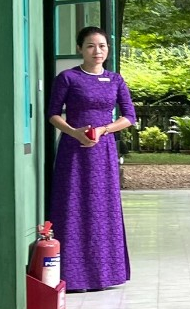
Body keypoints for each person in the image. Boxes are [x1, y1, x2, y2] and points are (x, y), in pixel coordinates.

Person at [46, 26, 136, 292]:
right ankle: (73, 277)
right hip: (74, 150)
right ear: (80, 49)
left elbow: (129, 116)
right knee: (72, 204)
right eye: (91, 46)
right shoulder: (67, 78)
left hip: (103, 150)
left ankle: (106, 274)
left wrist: (104, 129)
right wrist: (75, 132)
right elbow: (52, 114)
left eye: (102, 46)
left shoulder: (116, 79)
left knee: (102, 206)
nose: (97, 51)